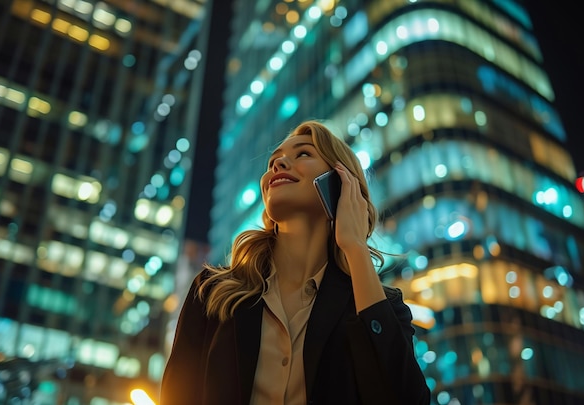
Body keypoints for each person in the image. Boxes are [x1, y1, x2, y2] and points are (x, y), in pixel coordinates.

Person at [160, 120, 430, 405]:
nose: (278, 165)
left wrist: (356, 248)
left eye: (303, 154)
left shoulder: (381, 308)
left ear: (341, 184)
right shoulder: (212, 292)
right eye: (273, 161)